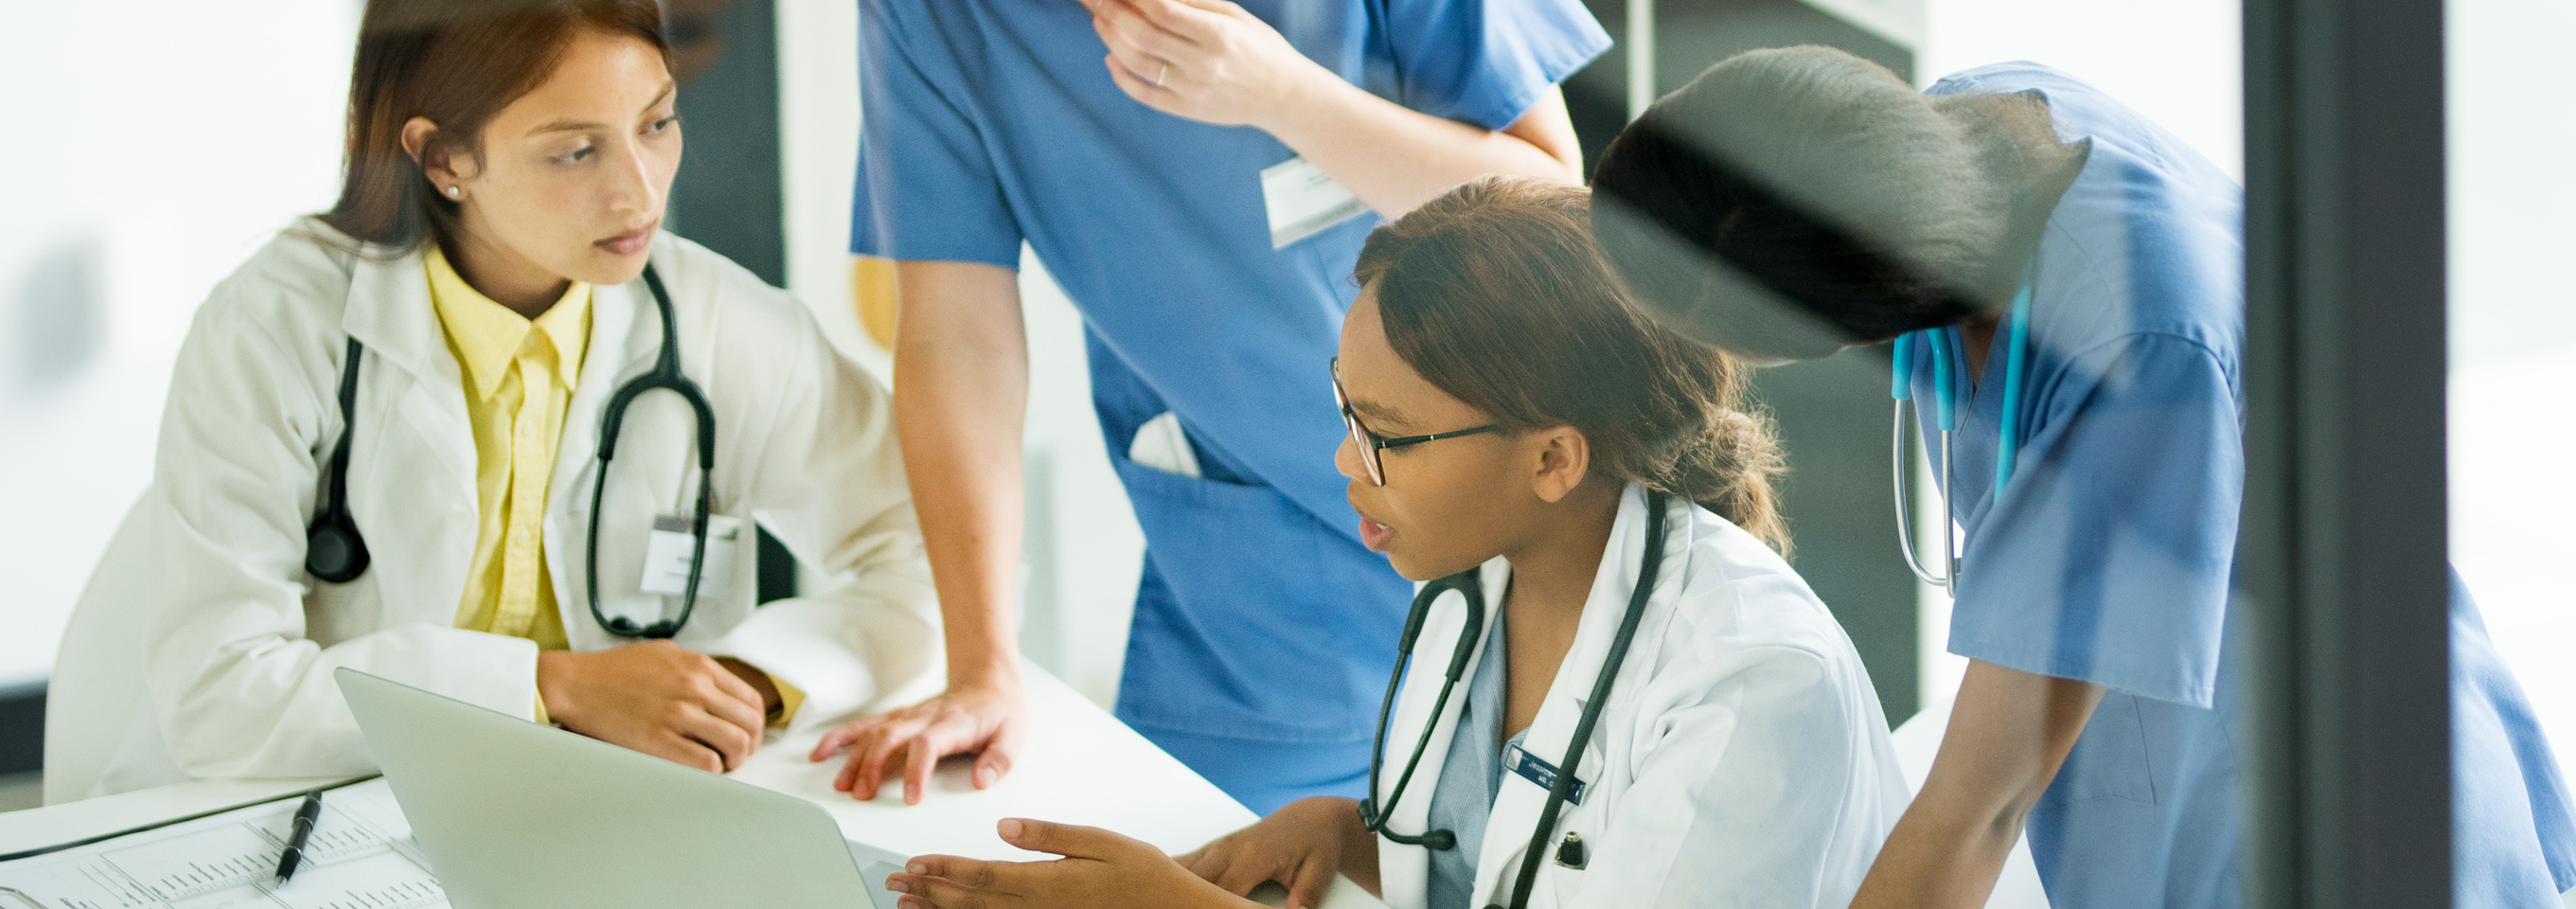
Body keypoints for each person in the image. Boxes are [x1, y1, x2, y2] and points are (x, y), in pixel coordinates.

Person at [1587, 48, 2576, 907]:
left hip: (2331, 818)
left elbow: (1981, 807)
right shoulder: (1979, 132)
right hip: (2190, 783)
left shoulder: (2137, 342)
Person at [879, 179, 1905, 909]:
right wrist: (1348, 835)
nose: (1344, 459)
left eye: (1389, 437)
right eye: (1346, 408)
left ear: (1554, 459)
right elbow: (1505, 853)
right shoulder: (1482, 584)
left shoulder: (1755, 693)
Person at [73, 0, 940, 795]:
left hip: (591, 815)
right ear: (445, 157)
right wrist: (551, 687)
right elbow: (220, 698)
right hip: (301, 818)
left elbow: (935, 551)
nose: (640, 191)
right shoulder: (275, 330)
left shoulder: (720, 323)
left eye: (658, 123)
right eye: (575, 151)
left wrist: (745, 681)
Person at [822, 0, 1612, 811]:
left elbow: (1553, 206)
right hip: (1255, 590)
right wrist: (983, 664)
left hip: (1519, 506)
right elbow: (952, 334)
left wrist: (1284, 97)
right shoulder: (937, 16)